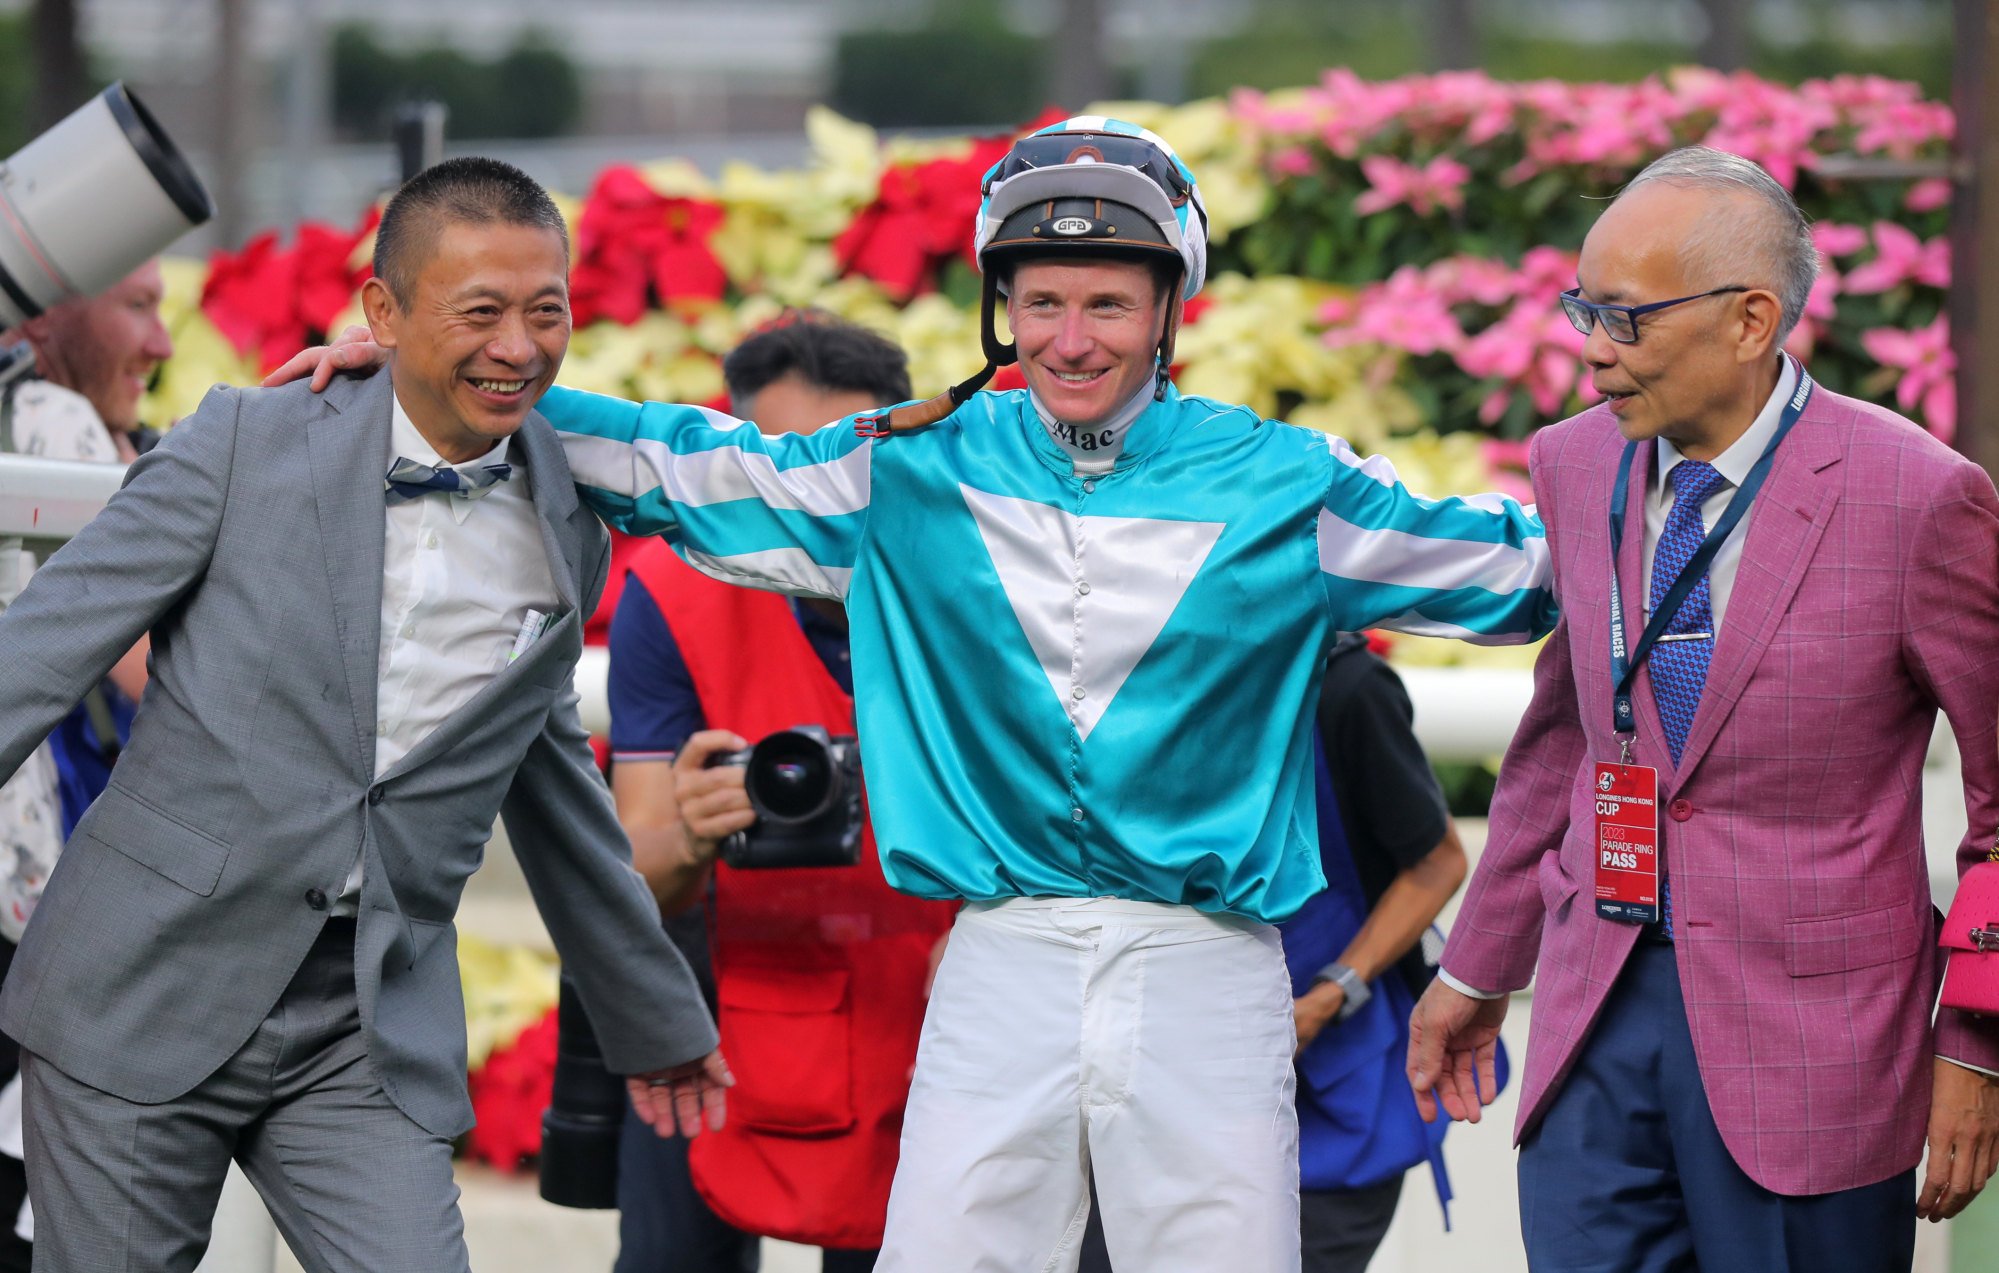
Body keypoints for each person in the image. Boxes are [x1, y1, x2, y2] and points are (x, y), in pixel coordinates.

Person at [278, 117, 1557, 1272]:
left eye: (1107, 304)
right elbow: (691, 466)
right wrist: (432, 383)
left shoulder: (1291, 480)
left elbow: (1536, 573)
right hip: (998, 955)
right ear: (1000, 306)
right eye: (1041, 301)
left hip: (1209, 969)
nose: (1071, 339)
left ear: (1171, 310)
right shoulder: (910, 469)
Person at [0, 156, 729, 1272]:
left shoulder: (566, 518)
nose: (520, 346)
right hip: (139, 987)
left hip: (364, 1024)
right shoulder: (243, 440)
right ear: (382, 311)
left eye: (548, 311)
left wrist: (652, 1013)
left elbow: (552, 786)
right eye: (480, 311)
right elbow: (36, 656)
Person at [1407, 146, 1999, 1271]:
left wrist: (1974, 1049)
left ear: (1749, 320)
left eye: (1623, 319)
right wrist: (1476, 971)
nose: (1590, 350)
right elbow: (1558, 743)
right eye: (1583, 309)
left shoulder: (1919, 496)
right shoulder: (1574, 464)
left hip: (1816, 1054)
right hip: (1594, 1023)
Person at [608, 310, 951, 1272]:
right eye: (790, 464)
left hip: (930, 1009)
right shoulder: (670, 594)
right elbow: (639, 879)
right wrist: (689, 830)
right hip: (719, 1008)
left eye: (856, 461)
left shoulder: (977, 588)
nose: (821, 492)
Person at [1077, 631, 1478, 1273]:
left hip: (1334, 1096)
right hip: (1164, 1084)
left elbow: (1437, 864)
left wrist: (1328, 997)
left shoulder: (1346, 688)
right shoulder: (1128, 680)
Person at [0, 258, 173, 1268]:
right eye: (138, 307)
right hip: (42, 936)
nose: (160, 343)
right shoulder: (55, 427)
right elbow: (170, 675)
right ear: (49, 308)